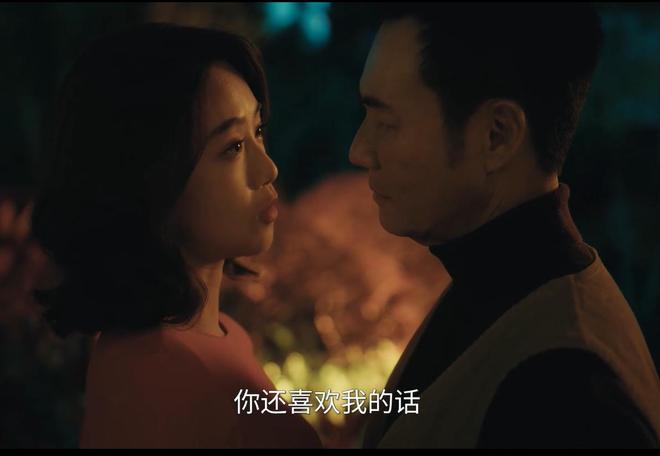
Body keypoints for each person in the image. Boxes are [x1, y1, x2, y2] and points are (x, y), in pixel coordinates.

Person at [349, 3, 660, 448]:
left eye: (386, 123)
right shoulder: (497, 291)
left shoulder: (565, 390)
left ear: (497, 135)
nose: (359, 150)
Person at [30, 23, 321, 448]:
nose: (268, 169)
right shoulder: (163, 376)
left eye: (257, 131)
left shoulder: (218, 335)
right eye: (232, 147)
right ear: (150, 179)